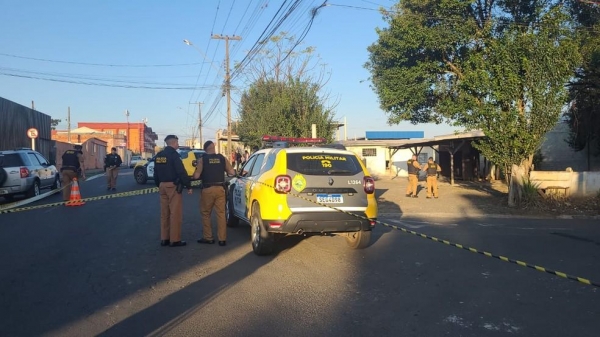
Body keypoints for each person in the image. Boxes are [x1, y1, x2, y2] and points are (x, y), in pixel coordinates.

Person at [193, 140, 235, 246]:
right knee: (221, 214)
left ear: (205, 149)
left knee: (206, 213)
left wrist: (196, 168)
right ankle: (222, 239)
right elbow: (232, 172)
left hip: (207, 189)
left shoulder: (202, 160)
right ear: (213, 147)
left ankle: (208, 237)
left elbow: (196, 176)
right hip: (220, 189)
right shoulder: (222, 158)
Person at [153, 135, 191, 247]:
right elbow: (181, 172)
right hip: (173, 186)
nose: (178, 145)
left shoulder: (159, 155)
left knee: (164, 214)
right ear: (173, 143)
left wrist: (159, 184)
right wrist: (188, 185)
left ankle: (164, 239)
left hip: (162, 186)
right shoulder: (174, 155)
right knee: (175, 213)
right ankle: (175, 240)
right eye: (177, 143)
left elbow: (155, 173)